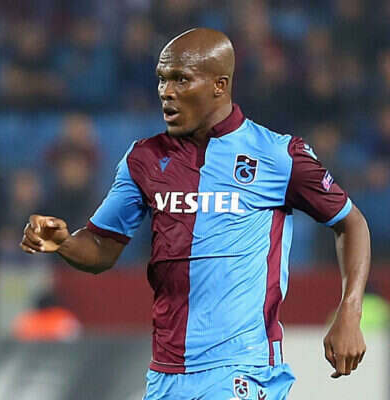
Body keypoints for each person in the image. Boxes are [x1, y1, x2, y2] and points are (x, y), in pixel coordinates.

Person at [20, 28, 370, 399]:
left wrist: (350, 312)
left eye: (181, 79)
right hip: (166, 375)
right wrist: (64, 243)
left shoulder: (277, 155)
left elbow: (351, 222)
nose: (166, 92)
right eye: (162, 79)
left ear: (220, 85)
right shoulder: (145, 159)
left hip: (243, 369)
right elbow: (101, 249)